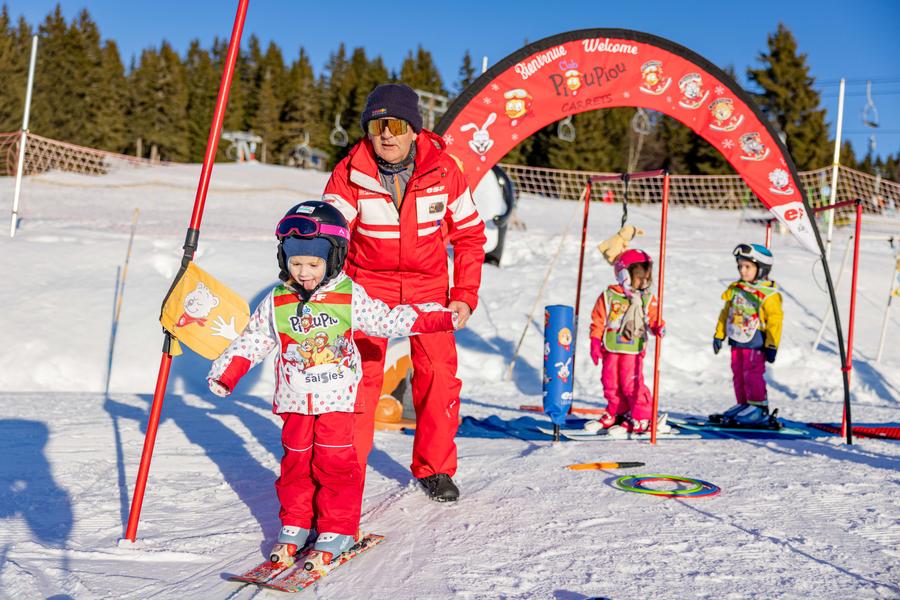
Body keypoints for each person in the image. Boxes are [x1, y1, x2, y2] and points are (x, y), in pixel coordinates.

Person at [207, 201, 457, 566]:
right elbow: (254, 339)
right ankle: (295, 524)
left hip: (337, 402)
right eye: (295, 263)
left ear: (334, 258)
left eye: (312, 264)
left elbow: (385, 321)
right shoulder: (277, 300)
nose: (303, 272)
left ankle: (337, 527)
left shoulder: (348, 295)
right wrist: (228, 372)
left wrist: (435, 318)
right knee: (295, 465)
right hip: (295, 402)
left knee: (335, 464)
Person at [322, 83, 486, 502]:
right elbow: (330, 237)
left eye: (395, 124)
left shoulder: (445, 171)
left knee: (438, 376)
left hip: (427, 285)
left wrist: (464, 293)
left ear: (414, 129)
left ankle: (435, 469)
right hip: (367, 283)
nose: (387, 134)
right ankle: (347, 468)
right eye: (377, 126)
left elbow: (469, 235)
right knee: (358, 377)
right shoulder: (349, 173)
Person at [585, 249, 665, 434]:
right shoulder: (609, 296)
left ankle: (641, 415)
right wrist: (595, 341)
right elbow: (597, 320)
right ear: (624, 274)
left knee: (631, 383)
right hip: (612, 348)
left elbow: (653, 318)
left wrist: (658, 327)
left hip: (633, 349)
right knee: (610, 382)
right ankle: (617, 412)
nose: (644, 281)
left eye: (647, 277)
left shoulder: (646, 299)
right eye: (639, 277)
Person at [711, 243, 783, 427]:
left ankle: (758, 407)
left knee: (752, 374)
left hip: (755, 342)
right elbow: (726, 312)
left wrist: (772, 345)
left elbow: (775, 320)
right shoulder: (736, 289)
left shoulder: (768, 294)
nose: (742, 271)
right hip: (737, 339)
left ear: (761, 269)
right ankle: (744, 404)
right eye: (740, 266)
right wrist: (719, 335)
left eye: (747, 267)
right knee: (738, 374)